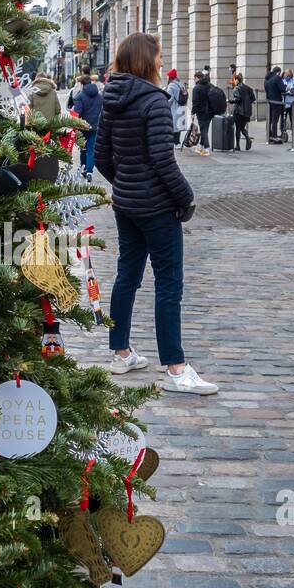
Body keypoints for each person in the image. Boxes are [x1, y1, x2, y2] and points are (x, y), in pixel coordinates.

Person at [96, 32, 218, 395]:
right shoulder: (154, 101)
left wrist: (126, 183)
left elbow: (101, 156)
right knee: (168, 284)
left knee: (126, 276)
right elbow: (164, 161)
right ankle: (176, 369)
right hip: (157, 208)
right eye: (160, 56)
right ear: (147, 61)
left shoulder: (112, 99)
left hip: (126, 205)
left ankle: (120, 352)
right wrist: (186, 198)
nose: (163, 62)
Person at [75, 73, 102, 175]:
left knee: (83, 148)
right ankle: (90, 171)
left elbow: (77, 112)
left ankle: (84, 167)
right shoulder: (99, 96)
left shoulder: (80, 96)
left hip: (83, 126)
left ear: (82, 84)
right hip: (95, 126)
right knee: (91, 149)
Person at [190, 70, 214, 156]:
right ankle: (201, 146)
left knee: (203, 130)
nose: (194, 80)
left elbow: (195, 102)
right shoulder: (210, 85)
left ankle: (206, 148)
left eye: (194, 78)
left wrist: (193, 113)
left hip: (201, 112)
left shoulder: (197, 88)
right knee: (205, 129)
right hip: (211, 111)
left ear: (197, 78)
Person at [230, 72, 255, 150]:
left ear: (237, 80)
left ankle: (238, 145)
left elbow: (238, 99)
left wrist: (231, 101)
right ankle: (248, 139)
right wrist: (247, 104)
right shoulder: (248, 88)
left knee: (238, 128)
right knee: (242, 127)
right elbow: (253, 99)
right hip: (247, 111)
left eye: (235, 80)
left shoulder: (236, 89)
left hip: (238, 111)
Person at [265, 66, 284, 143]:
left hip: (269, 101)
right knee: (275, 120)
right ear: (278, 72)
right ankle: (274, 136)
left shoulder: (266, 79)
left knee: (269, 119)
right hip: (277, 101)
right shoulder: (277, 78)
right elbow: (282, 88)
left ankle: (268, 135)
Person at [281, 68, 294, 141]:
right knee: (283, 119)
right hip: (284, 103)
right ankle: (283, 133)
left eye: (289, 75)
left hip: (292, 103)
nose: (287, 76)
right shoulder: (282, 81)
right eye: (286, 75)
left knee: (293, 119)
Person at [166, 68, 184, 148]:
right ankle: (178, 142)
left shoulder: (171, 85)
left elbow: (170, 98)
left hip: (174, 108)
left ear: (170, 77)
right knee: (179, 125)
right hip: (182, 107)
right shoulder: (181, 84)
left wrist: (166, 105)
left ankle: (175, 143)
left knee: (173, 125)